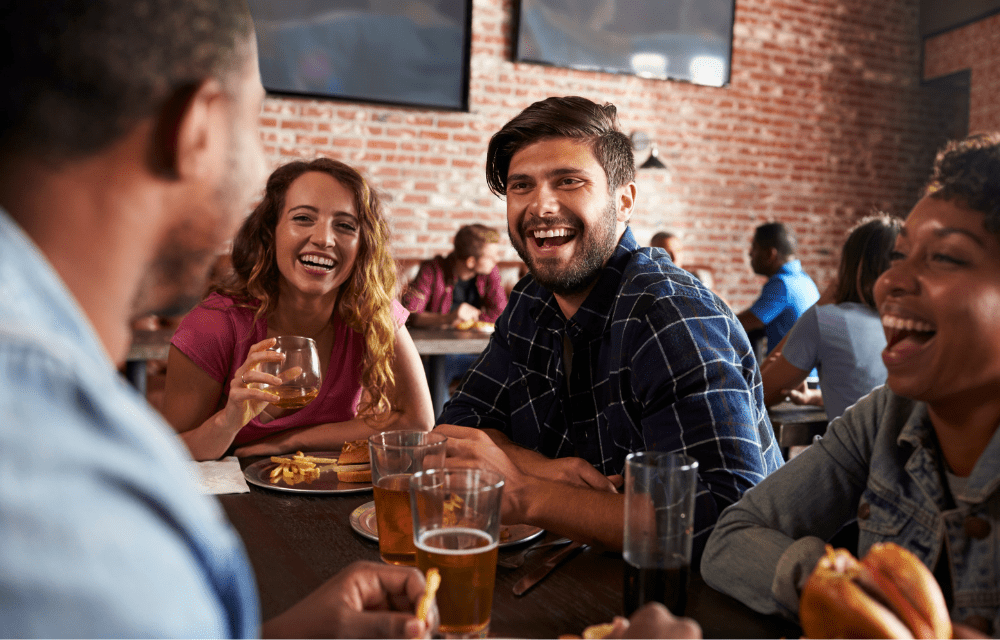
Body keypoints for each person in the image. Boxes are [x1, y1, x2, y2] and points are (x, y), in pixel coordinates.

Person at [0, 2, 437, 636]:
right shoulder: (65, 478)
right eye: (255, 125)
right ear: (198, 127)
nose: (259, 168)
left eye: (345, 224)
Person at [436, 96, 783, 563]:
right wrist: (548, 473)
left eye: (569, 181)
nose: (540, 205)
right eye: (522, 186)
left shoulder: (669, 314)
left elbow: (723, 517)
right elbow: (454, 432)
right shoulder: (529, 301)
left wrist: (525, 492)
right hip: (575, 581)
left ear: (624, 201)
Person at [701, 133, 1000, 638]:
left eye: (945, 257)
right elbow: (728, 540)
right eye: (899, 257)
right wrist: (847, 594)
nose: (891, 282)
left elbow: (761, 388)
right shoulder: (885, 416)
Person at [161, 158, 435, 461]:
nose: (323, 239)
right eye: (303, 218)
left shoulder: (371, 312)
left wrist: (289, 442)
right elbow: (168, 454)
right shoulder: (214, 324)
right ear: (270, 232)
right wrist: (227, 422)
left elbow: (418, 422)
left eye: (345, 225)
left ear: (363, 246)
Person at [761, 214, 902, 421]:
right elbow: (872, 395)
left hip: (856, 453)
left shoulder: (828, 319)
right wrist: (817, 398)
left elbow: (759, 394)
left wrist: (819, 306)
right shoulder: (912, 326)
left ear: (849, 264)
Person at [402, 223, 508, 409]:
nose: (497, 260)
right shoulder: (432, 270)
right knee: (437, 371)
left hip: (478, 353)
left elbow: (501, 313)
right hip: (440, 355)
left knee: (507, 369)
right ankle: (440, 430)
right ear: (470, 262)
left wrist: (474, 318)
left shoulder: (490, 273)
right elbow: (409, 314)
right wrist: (448, 318)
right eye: (492, 256)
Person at [736, 222, 820, 356]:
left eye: (755, 247)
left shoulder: (782, 284)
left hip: (793, 375)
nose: (750, 253)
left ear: (770, 254)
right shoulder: (805, 280)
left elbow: (739, 325)